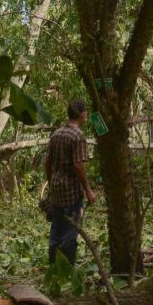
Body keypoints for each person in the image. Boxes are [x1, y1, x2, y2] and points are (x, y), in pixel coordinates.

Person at [45, 99, 96, 265]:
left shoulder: (56, 134)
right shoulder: (78, 136)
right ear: (82, 114)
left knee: (56, 228)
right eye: (86, 112)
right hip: (71, 191)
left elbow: (47, 163)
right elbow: (78, 166)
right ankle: (66, 268)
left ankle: (54, 265)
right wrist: (88, 190)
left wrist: (51, 181)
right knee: (70, 231)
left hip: (56, 189)